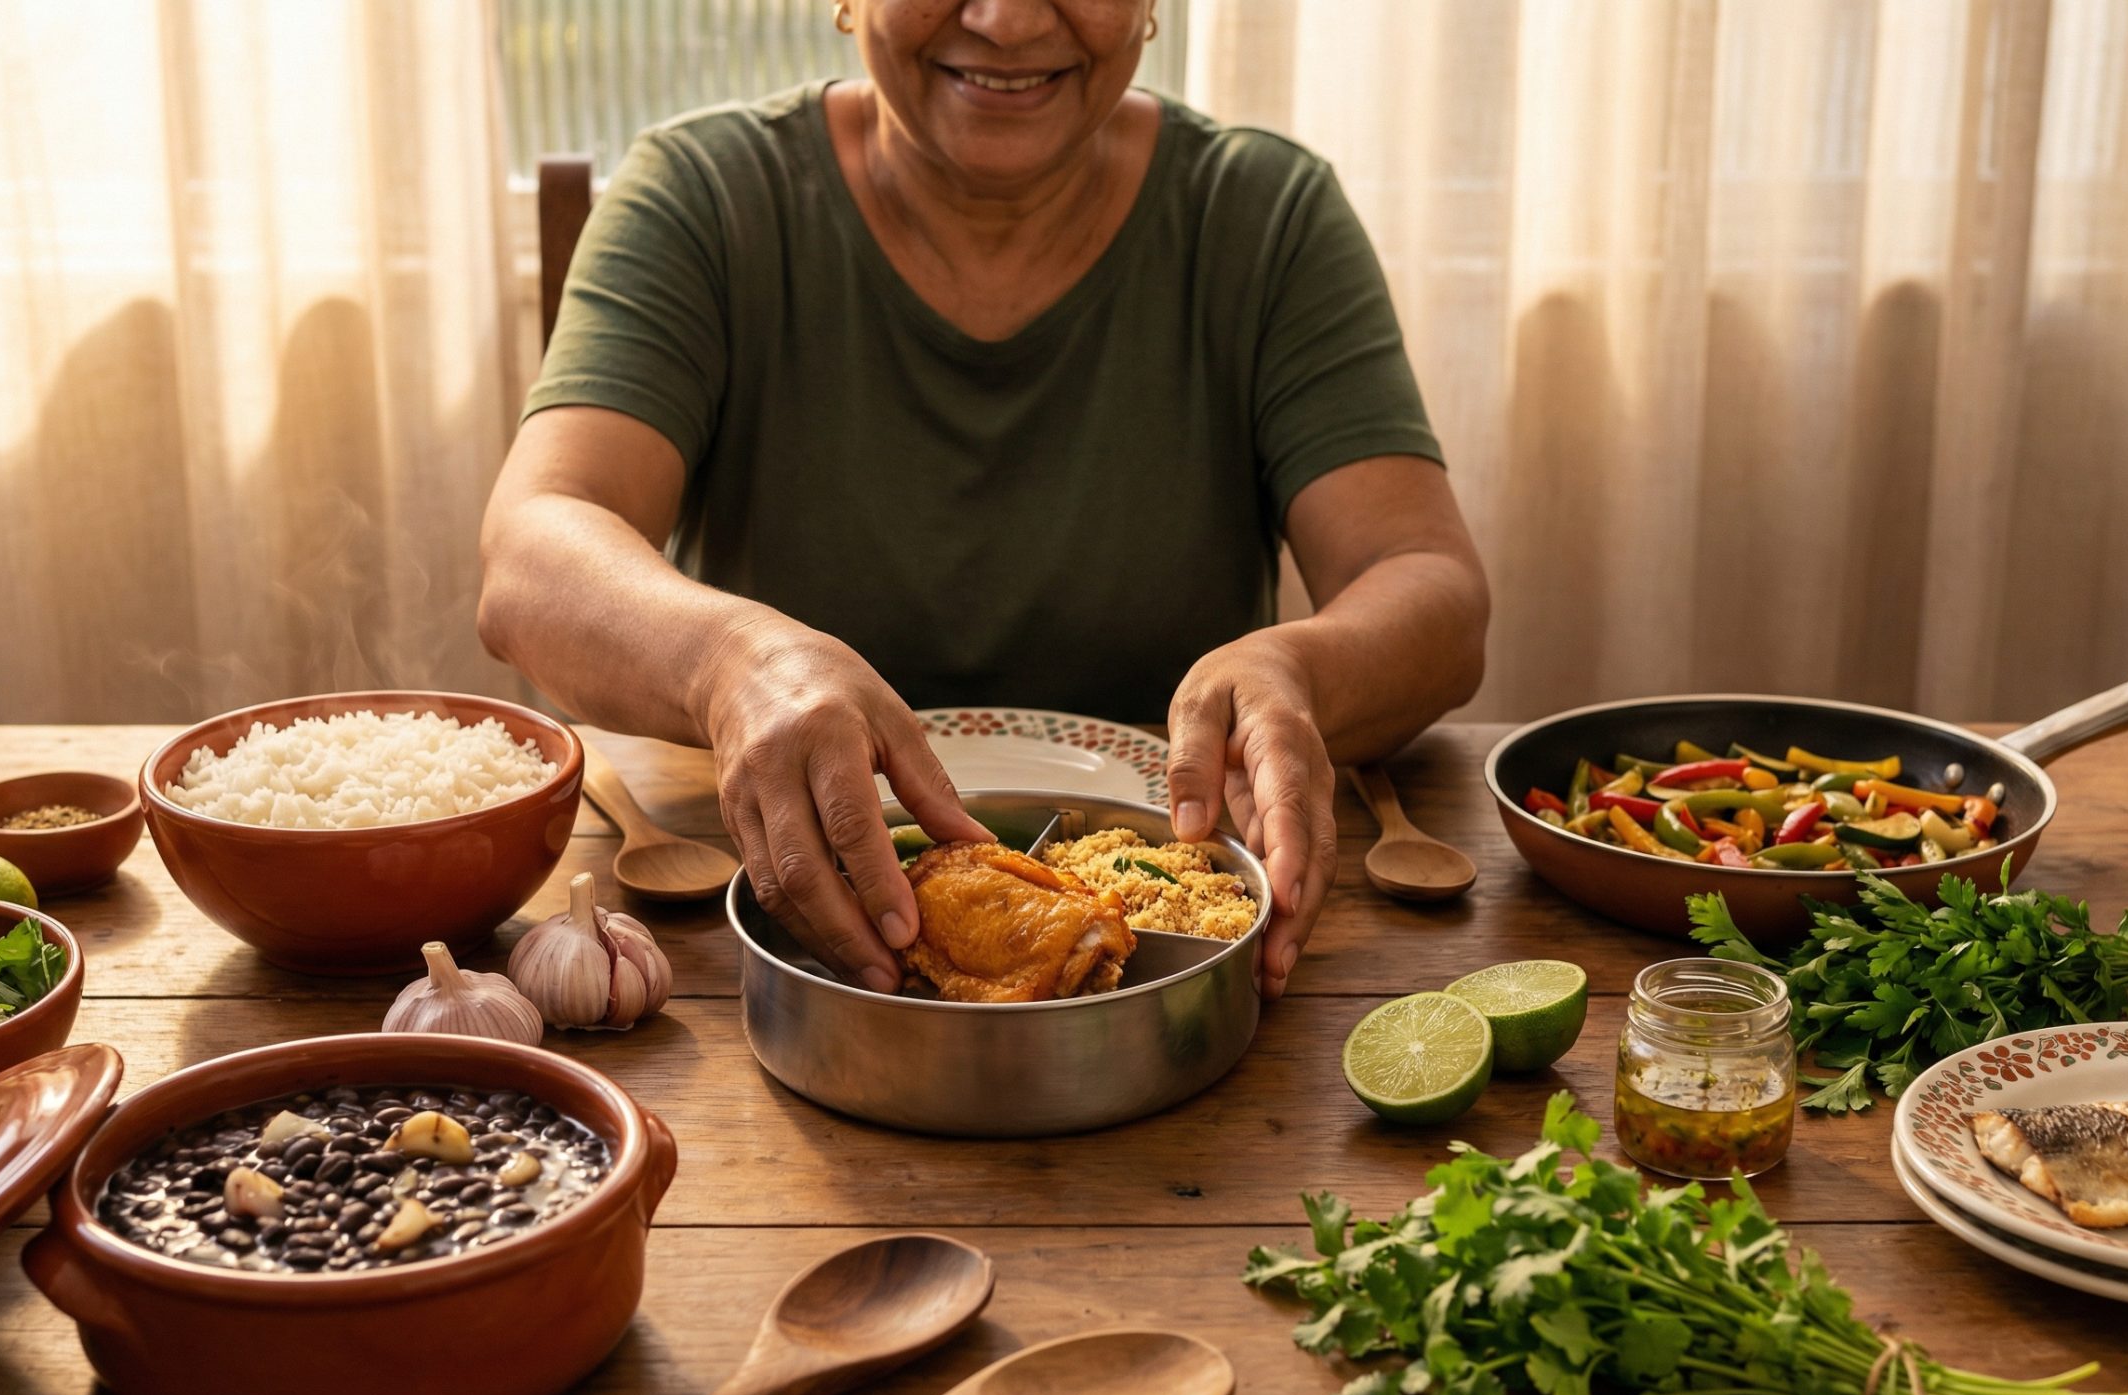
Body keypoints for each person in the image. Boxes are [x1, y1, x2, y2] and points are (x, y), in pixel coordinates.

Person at [479, 0, 1488, 1001]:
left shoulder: (1265, 212)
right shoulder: (704, 195)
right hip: (779, 926)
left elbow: (1430, 590)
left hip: (1177, 948)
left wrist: (1294, 666)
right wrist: (732, 662)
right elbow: (532, 554)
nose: (1005, 22)